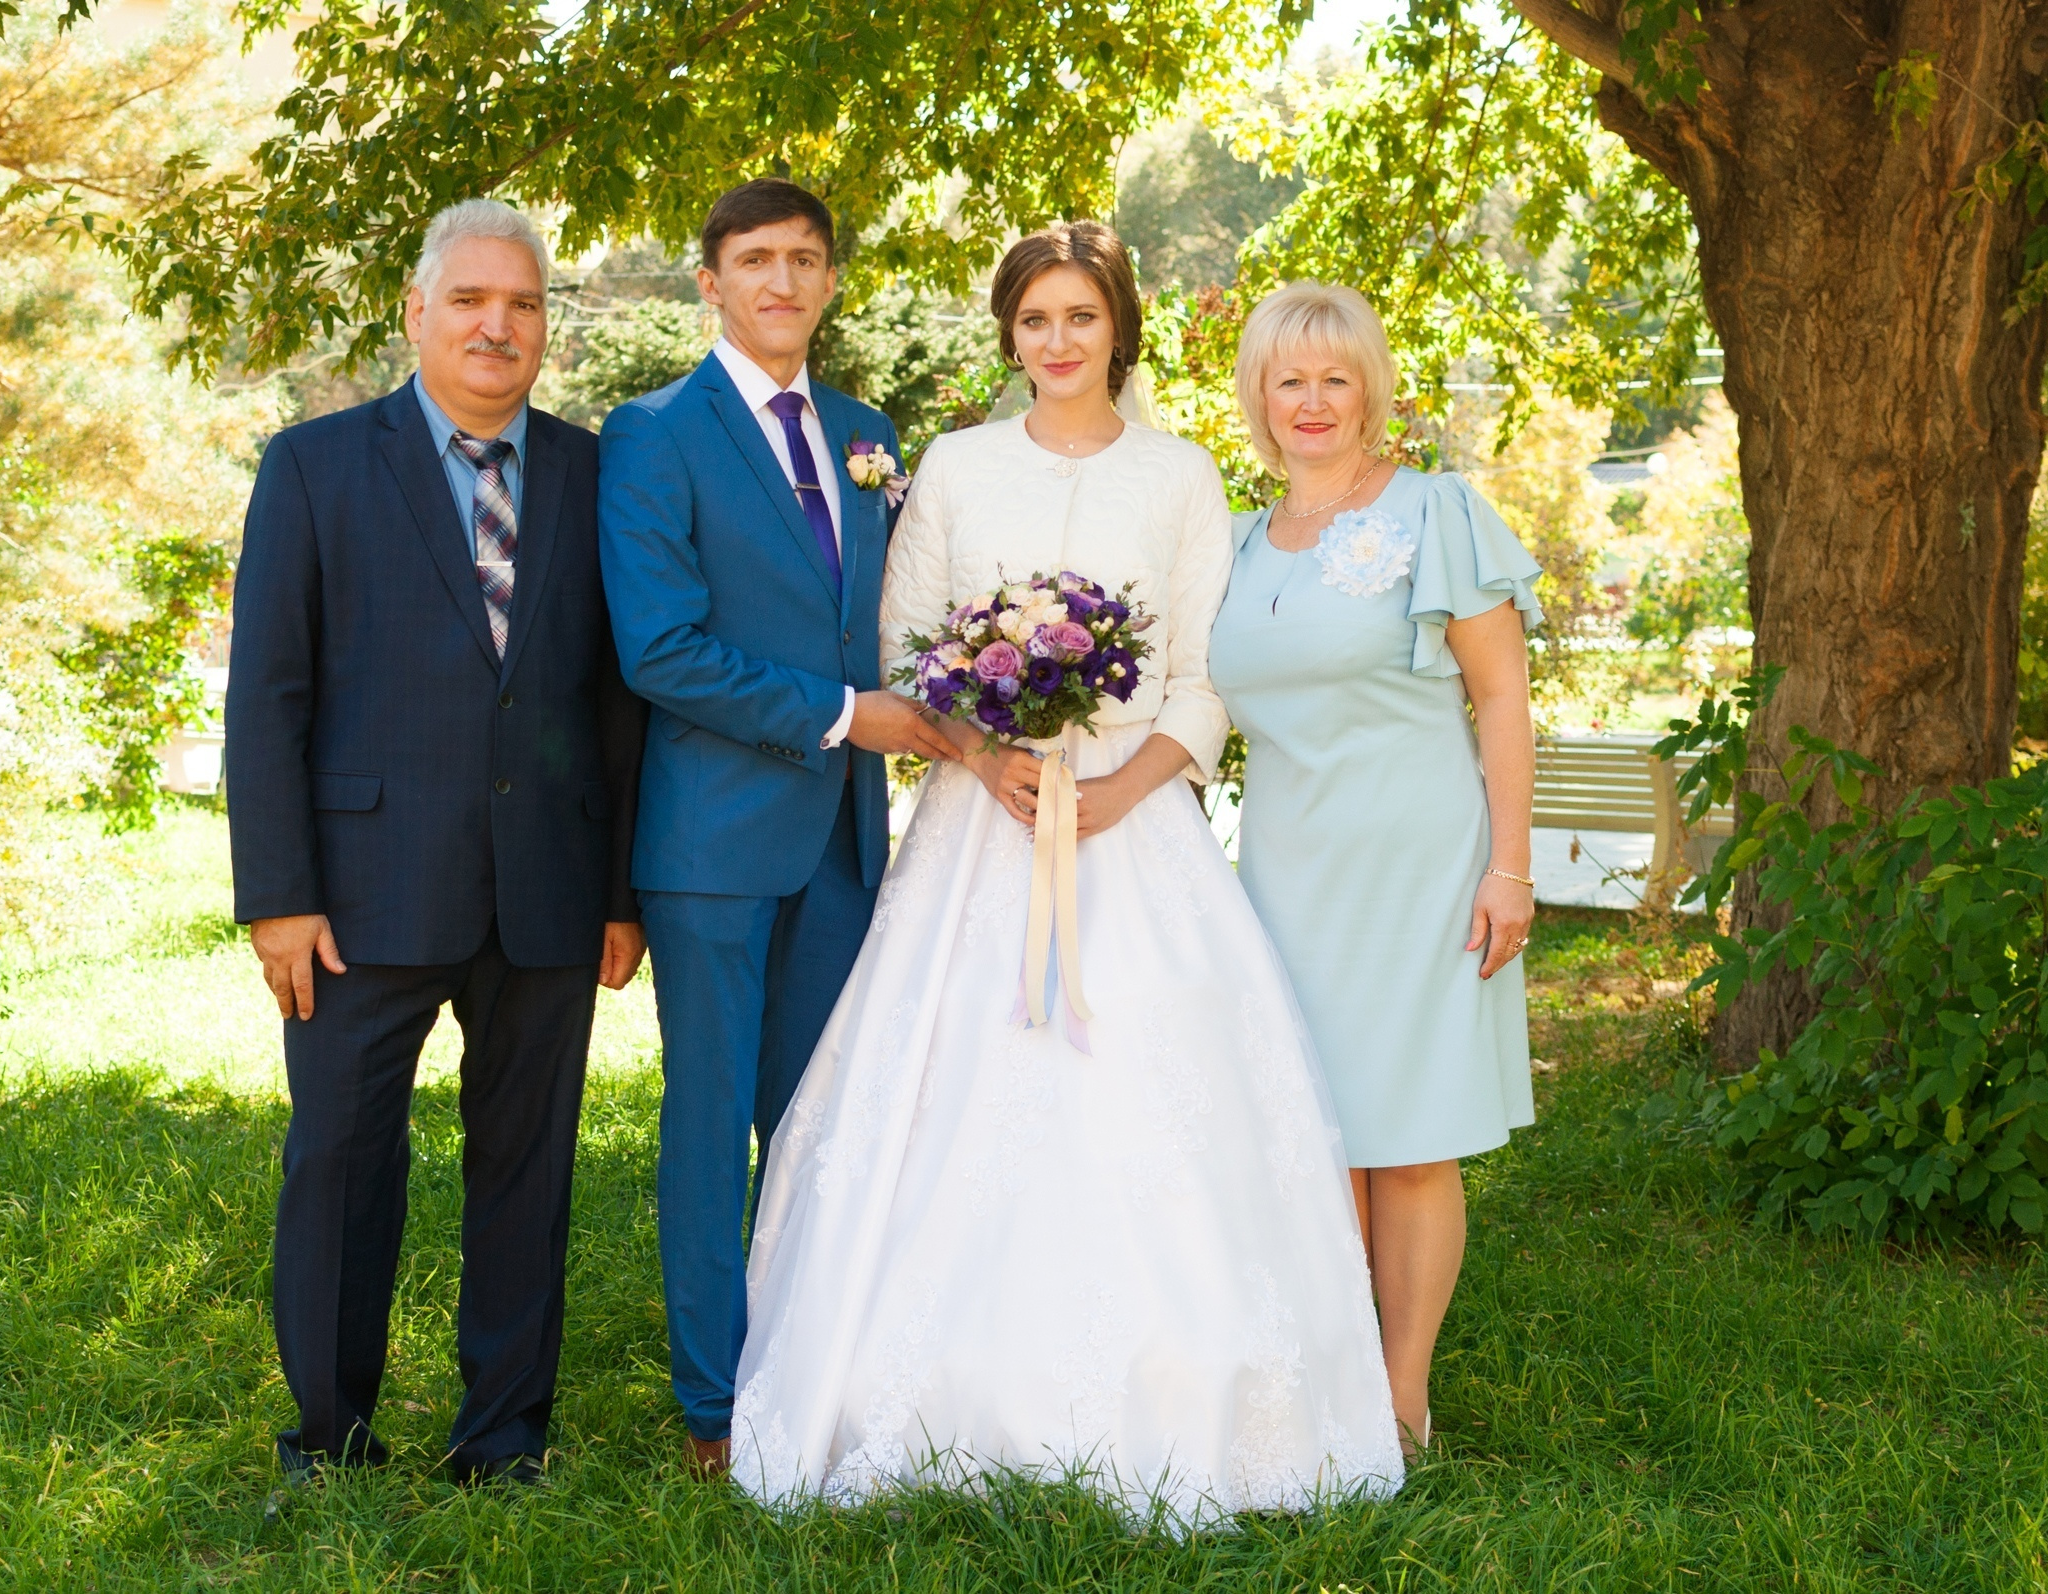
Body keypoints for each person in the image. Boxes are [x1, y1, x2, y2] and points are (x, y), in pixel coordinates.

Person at [726, 222, 1402, 1526]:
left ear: (1117, 329)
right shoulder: (960, 466)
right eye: (1034, 319)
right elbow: (913, 644)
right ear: (1009, 334)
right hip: (983, 828)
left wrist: (1116, 790)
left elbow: (1204, 675)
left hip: (1136, 825)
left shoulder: (1181, 474)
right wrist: (990, 759)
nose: (1057, 341)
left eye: (1080, 318)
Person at [227, 199, 646, 1495]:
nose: (494, 324)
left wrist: (621, 890)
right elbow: (269, 693)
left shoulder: (592, 476)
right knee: (341, 1162)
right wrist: (279, 896)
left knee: (527, 1173)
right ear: (415, 314)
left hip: (550, 894)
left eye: (520, 304)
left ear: (544, 331)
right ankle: (329, 1435)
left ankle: (503, 1438)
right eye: (468, 299)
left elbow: (616, 700)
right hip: (358, 895)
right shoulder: (313, 466)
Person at [597, 178, 960, 1476]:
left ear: (830, 280)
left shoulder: (869, 431)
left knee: (821, 1127)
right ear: (710, 280)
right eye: (755, 260)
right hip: (712, 850)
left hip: (845, 849)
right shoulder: (652, 436)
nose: (782, 281)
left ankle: (811, 1365)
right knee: (710, 1131)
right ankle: (714, 1402)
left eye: (806, 259)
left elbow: (903, 612)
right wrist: (842, 716)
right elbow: (662, 649)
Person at [1205, 280, 1541, 1460]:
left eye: (1335, 377)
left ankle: (1401, 1397)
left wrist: (1511, 866)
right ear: (1256, 395)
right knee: (1312, 1127)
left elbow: (1502, 697)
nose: (1311, 401)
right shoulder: (1237, 543)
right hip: (1287, 871)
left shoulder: (1434, 513)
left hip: (1420, 860)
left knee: (1406, 1133)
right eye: (1288, 379)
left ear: (1371, 390)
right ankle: (1333, 1375)